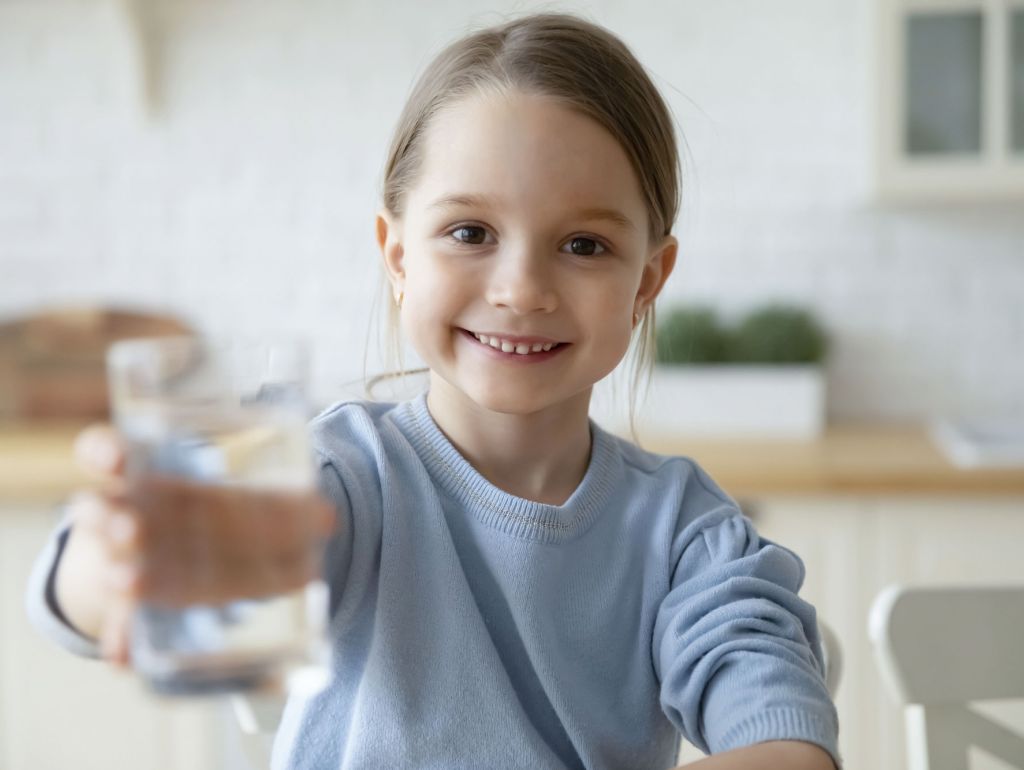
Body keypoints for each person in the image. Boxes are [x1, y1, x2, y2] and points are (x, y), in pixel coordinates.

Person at [25, 12, 840, 770]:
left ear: (647, 281)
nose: (521, 288)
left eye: (584, 244)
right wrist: (118, 563)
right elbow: (177, 579)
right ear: (399, 255)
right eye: (470, 233)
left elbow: (782, 739)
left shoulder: (686, 536)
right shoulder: (339, 479)